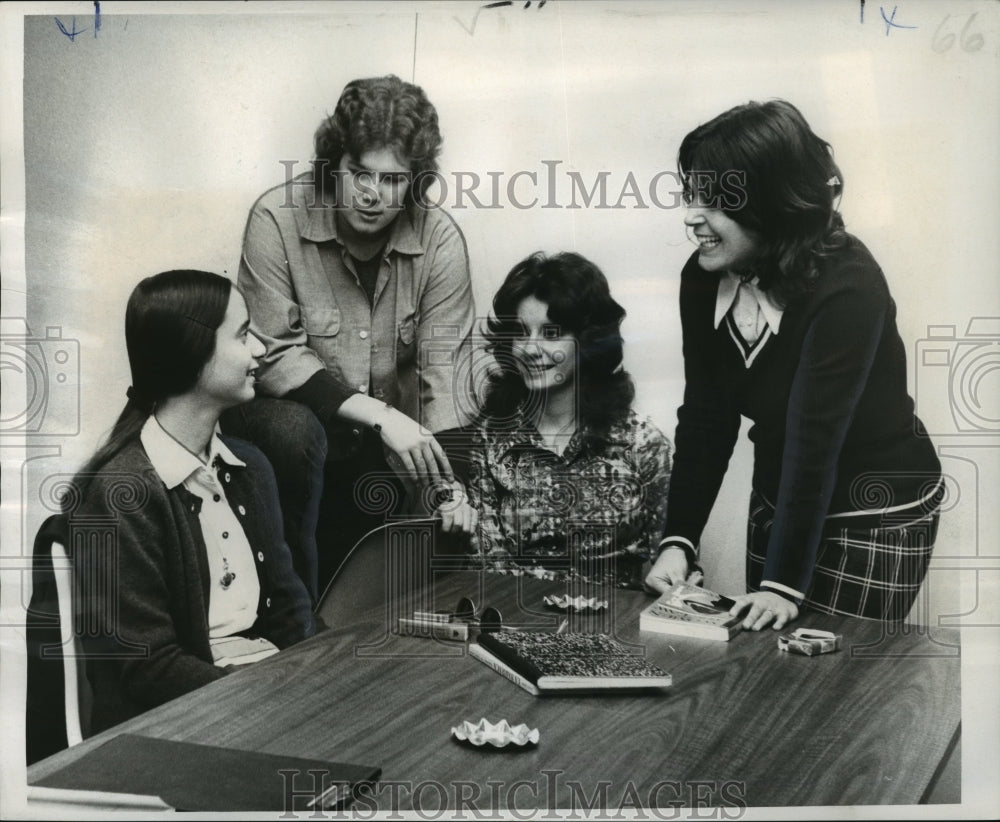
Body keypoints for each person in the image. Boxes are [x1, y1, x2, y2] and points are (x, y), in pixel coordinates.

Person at [645, 100, 943, 628]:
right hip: (784, 493)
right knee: (767, 671)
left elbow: (816, 437)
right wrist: (679, 541)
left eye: (714, 202)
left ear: (772, 204)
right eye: (691, 195)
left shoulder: (850, 283)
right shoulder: (703, 276)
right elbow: (706, 417)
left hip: (874, 509)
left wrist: (781, 586)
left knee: (830, 678)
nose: (693, 217)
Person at [225, 75, 475, 596]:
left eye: (393, 180)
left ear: (415, 181)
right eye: (360, 173)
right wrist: (380, 417)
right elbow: (272, 354)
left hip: (385, 457)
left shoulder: (441, 238)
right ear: (332, 164)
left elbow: (445, 373)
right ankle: (288, 611)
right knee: (296, 435)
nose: (372, 195)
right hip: (296, 436)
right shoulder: (276, 217)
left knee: (430, 535)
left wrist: (453, 485)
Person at [64, 270, 318, 734]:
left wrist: (323, 682)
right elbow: (151, 667)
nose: (261, 350)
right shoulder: (122, 494)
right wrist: (275, 701)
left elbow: (289, 612)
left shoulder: (251, 468)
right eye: (243, 335)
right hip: (177, 731)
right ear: (191, 351)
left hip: (264, 700)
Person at [436, 252, 672, 590]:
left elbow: (670, 562)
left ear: (586, 340)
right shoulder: (492, 438)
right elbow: (487, 562)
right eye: (521, 332)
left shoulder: (642, 444)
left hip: (616, 624)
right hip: (519, 619)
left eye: (551, 333)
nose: (531, 349)